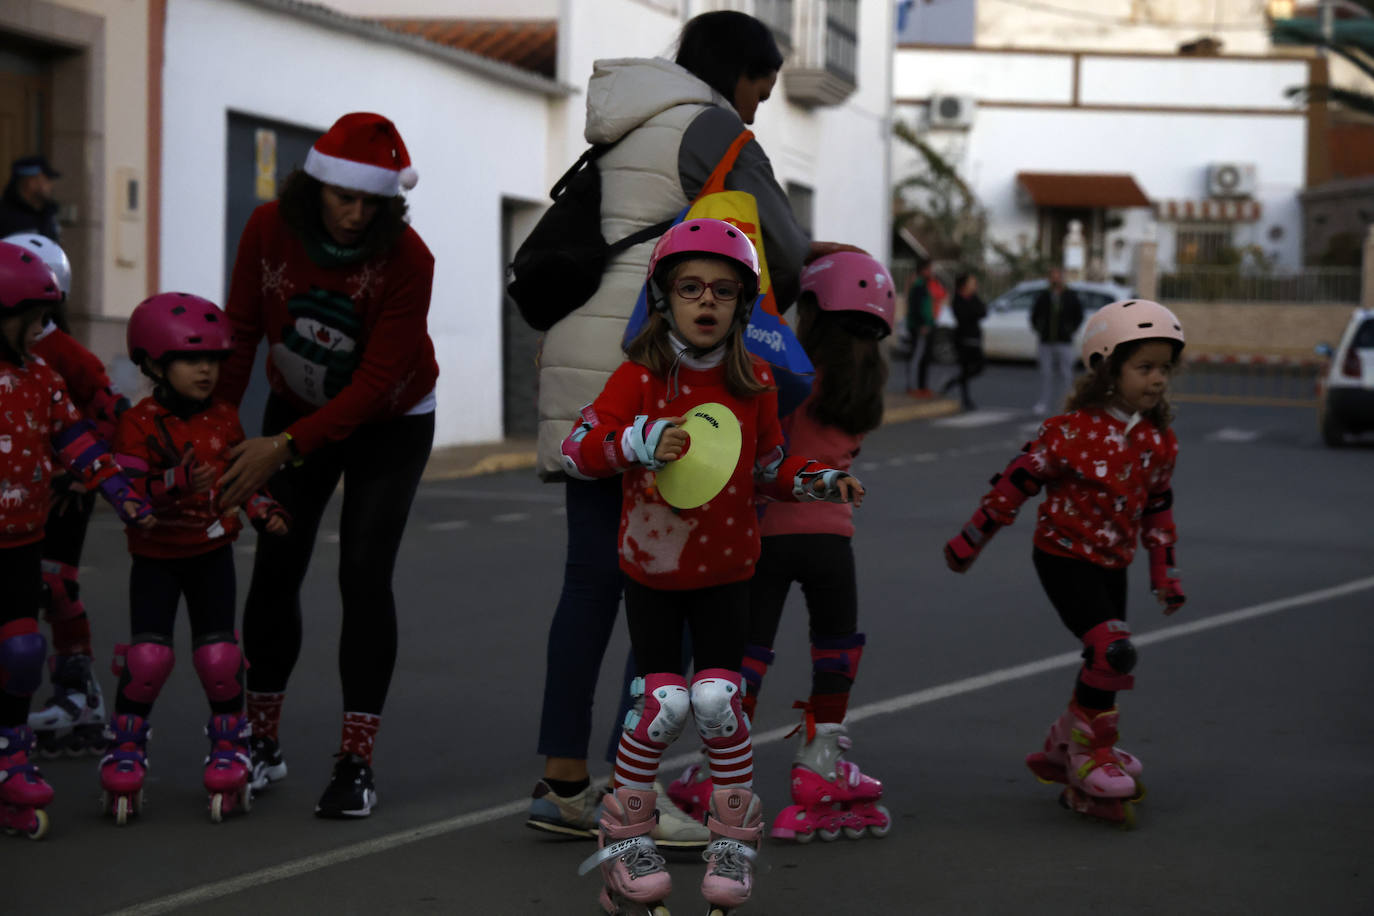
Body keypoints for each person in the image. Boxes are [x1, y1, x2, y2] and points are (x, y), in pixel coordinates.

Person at [529, 9, 857, 846]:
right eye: (761, 88)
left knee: (589, 583)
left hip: (581, 354)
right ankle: (630, 789)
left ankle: (561, 783)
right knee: (667, 581)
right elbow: (780, 246)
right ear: (736, 72)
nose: (757, 110)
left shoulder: (618, 120)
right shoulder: (713, 128)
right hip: (663, 364)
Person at [563, 219, 864, 914]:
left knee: (721, 707)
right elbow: (580, 447)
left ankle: (733, 847)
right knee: (662, 704)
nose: (707, 301)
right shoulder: (640, 377)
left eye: (724, 291)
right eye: (691, 287)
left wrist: (818, 481)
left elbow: (766, 469)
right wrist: (636, 441)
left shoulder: (753, 380)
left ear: (742, 304)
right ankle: (625, 842)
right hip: (656, 572)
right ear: (664, 298)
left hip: (730, 571)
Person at [214, 112, 437, 819]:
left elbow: (372, 387)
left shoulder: (409, 259)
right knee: (278, 562)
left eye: (372, 202)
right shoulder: (267, 229)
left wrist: (278, 447)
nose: (356, 213)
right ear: (315, 188)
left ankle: (355, 760)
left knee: (364, 573)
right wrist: (214, 433)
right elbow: (242, 332)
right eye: (345, 197)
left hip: (391, 421)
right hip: (296, 404)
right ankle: (260, 740)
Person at [669, 251, 894, 843]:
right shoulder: (865, 389)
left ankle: (711, 773)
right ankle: (819, 767)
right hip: (831, 541)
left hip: (766, 535)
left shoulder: (784, 370)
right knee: (836, 651)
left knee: (746, 657)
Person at [943, 298, 1187, 825]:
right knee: (1112, 651)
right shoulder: (1070, 432)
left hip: (1113, 562)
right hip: (1063, 556)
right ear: (1106, 369)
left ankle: (1066, 749)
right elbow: (1016, 483)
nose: (1157, 380)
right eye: (1144, 367)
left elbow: (1159, 509)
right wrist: (972, 539)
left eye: (1164, 369)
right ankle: (1088, 752)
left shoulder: (1157, 441)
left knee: (1108, 659)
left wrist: (1164, 573)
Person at [101, 293, 289, 825]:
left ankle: (231, 747)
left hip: (211, 554)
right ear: (156, 365)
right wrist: (173, 482)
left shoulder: (225, 418)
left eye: (213, 359)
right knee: (147, 661)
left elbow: (237, 477)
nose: (206, 369)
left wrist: (263, 508)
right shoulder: (138, 424)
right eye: (191, 359)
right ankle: (125, 748)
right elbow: (127, 490)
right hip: (156, 558)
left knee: (220, 660)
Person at [0, 240, 152, 839]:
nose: (43, 330)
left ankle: (11, 757)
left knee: (20, 652)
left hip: (20, 543)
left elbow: (79, 440)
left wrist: (123, 494)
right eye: (34, 319)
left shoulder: (42, 377)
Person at [1030, 266, 1084, 415]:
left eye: (1057, 276)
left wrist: (1070, 329)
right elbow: (1034, 315)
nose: (1055, 279)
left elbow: (1079, 315)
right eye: (1052, 276)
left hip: (1064, 341)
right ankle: (1043, 402)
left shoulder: (1070, 295)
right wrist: (1040, 329)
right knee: (1046, 374)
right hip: (1046, 340)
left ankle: (1067, 404)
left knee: (1067, 374)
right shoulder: (1043, 295)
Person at [940, 270, 987, 411]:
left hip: (975, 338)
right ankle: (966, 400)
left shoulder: (974, 298)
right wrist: (974, 312)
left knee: (980, 366)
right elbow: (964, 316)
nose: (974, 285)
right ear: (964, 285)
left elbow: (983, 312)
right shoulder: (957, 300)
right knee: (965, 368)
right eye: (971, 283)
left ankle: (953, 382)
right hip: (962, 339)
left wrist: (973, 311)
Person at [0, 156, 62, 242]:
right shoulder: (4, 215)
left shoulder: (48, 214)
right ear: (31, 182)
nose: (50, 185)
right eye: (46, 179)